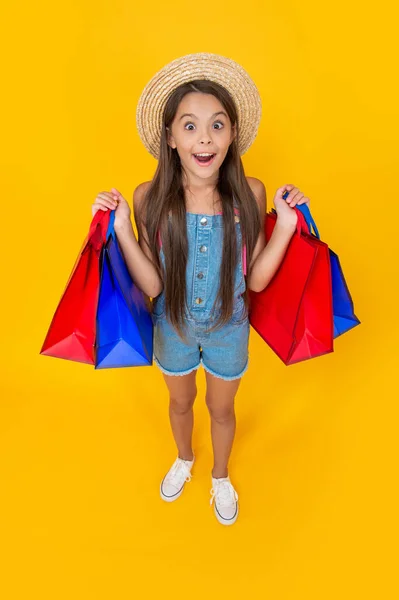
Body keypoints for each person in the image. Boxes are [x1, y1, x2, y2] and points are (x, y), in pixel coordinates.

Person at [91, 53, 310, 526]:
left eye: (217, 125)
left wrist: (288, 225)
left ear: (232, 135)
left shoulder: (249, 192)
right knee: (179, 402)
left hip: (230, 329)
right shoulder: (148, 198)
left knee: (221, 409)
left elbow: (254, 281)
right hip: (172, 328)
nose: (204, 137)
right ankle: (186, 458)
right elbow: (150, 284)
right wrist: (125, 229)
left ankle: (220, 475)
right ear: (170, 138)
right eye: (189, 126)